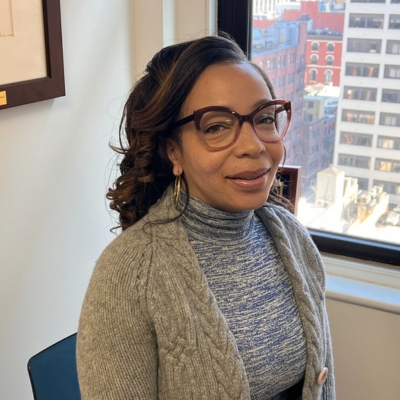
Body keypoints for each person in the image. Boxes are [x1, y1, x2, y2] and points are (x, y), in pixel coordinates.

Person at [77, 34, 335, 400]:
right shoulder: (129, 274)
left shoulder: (291, 236)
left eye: (264, 118)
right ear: (173, 152)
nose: (254, 145)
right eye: (216, 126)